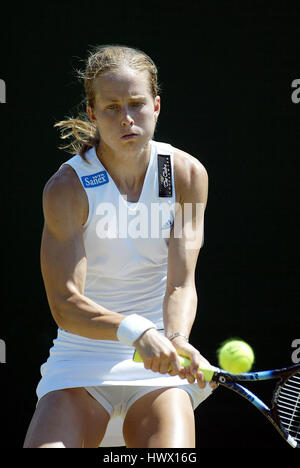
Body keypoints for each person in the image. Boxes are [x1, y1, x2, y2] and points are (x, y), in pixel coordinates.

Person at [23, 44, 215, 449]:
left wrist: (177, 339)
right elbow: (65, 303)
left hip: (157, 362)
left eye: (136, 104)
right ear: (92, 113)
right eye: (111, 107)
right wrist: (135, 331)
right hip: (81, 359)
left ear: (157, 105)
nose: (127, 118)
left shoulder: (185, 175)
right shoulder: (67, 188)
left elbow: (181, 282)